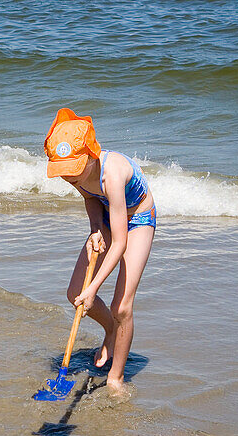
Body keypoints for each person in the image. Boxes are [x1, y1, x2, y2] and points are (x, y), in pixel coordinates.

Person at [44, 108, 156, 396]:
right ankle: (110, 331)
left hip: (138, 219)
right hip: (108, 216)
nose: (68, 177)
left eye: (73, 170)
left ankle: (116, 377)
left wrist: (94, 288)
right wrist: (95, 228)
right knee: (74, 295)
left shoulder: (111, 175)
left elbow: (120, 244)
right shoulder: (78, 175)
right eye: (64, 171)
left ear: (90, 155)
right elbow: (91, 199)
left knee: (122, 306)